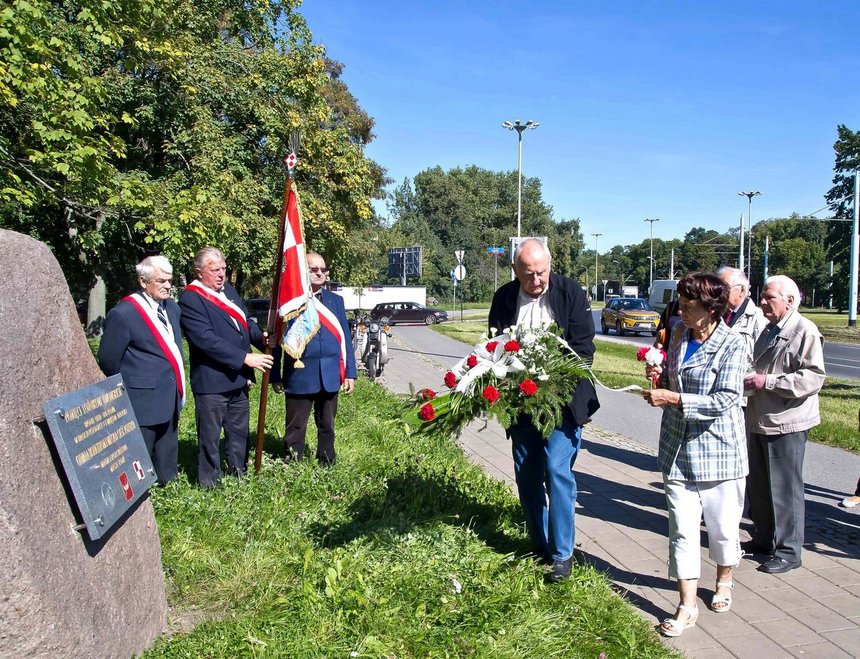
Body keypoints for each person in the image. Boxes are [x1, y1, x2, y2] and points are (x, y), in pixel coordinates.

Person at [642, 272, 748, 637]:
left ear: (712, 308)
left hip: (719, 454)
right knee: (682, 533)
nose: (681, 312)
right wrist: (660, 381)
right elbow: (675, 382)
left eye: (689, 307)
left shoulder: (733, 344)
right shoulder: (679, 336)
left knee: (721, 530)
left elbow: (726, 398)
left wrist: (673, 398)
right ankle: (686, 606)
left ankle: (724, 580)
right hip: (676, 449)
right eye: (681, 305)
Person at [487, 239, 599, 583]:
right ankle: (541, 546)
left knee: (556, 468)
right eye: (528, 274)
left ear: (549, 267)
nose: (536, 280)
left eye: (542, 272)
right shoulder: (504, 298)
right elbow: (493, 346)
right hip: (520, 402)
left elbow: (584, 349)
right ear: (516, 271)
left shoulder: (570, 294)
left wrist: (551, 378)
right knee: (527, 472)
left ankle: (563, 554)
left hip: (562, 402)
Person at [743, 275, 825, 573]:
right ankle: (763, 539)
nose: (762, 302)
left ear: (789, 300)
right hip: (760, 418)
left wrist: (768, 381)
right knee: (759, 487)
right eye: (762, 297)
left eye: (769, 298)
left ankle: (789, 551)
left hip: (787, 422)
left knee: (785, 489)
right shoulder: (769, 329)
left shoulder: (805, 331)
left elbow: (813, 378)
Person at [179, 247, 273, 487]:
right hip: (212, 381)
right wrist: (244, 358)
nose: (221, 274)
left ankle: (237, 476)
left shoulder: (228, 291)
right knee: (210, 438)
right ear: (200, 272)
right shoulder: (191, 298)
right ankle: (209, 483)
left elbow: (244, 322)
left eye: (223, 269)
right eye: (215, 270)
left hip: (238, 379)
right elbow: (206, 339)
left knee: (239, 432)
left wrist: (260, 338)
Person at [98, 255, 185, 484]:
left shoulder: (171, 308)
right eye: (161, 281)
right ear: (143, 282)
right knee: (140, 451)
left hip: (169, 392)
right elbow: (108, 360)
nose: (167, 285)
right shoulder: (124, 313)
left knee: (167, 447)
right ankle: (140, 494)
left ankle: (170, 486)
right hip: (141, 398)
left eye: (169, 280)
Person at [271, 253, 356, 464]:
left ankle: (327, 462)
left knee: (327, 424)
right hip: (300, 374)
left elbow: (345, 337)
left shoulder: (336, 301)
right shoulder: (290, 301)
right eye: (314, 269)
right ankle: (292, 464)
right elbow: (276, 339)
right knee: (296, 425)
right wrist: (274, 375)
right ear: (303, 272)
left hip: (330, 373)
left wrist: (350, 373)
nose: (320, 273)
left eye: (323, 270)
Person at [716, 266, 767, 365]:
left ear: (742, 290)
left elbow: (762, 359)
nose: (718, 293)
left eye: (723, 288)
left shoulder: (759, 318)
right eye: (716, 288)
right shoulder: (712, 315)